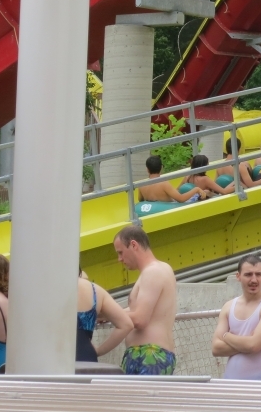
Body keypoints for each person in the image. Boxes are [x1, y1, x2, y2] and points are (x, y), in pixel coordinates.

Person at [113, 225, 177, 375]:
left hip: (149, 355)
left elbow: (140, 319)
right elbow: (138, 311)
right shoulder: (155, 271)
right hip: (146, 354)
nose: (119, 259)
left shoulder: (153, 272)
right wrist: (110, 314)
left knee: (143, 399)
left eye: (121, 252)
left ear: (134, 245)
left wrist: (111, 314)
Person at [211, 255, 261, 380]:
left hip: (259, 383)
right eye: (248, 274)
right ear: (238, 276)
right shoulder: (228, 306)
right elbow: (216, 348)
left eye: (258, 274)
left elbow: (253, 346)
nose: (254, 280)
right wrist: (249, 344)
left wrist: (226, 336)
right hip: (230, 382)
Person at [76, 268, 134, 362]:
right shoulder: (95, 290)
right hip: (86, 359)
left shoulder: (49, 290)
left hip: (55, 359)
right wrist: (99, 351)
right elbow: (126, 324)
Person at [138, 155, 207, 203]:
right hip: (167, 209)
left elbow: (140, 200)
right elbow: (181, 199)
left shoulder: (142, 185)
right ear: (161, 167)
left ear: (147, 169)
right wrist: (196, 189)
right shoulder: (164, 184)